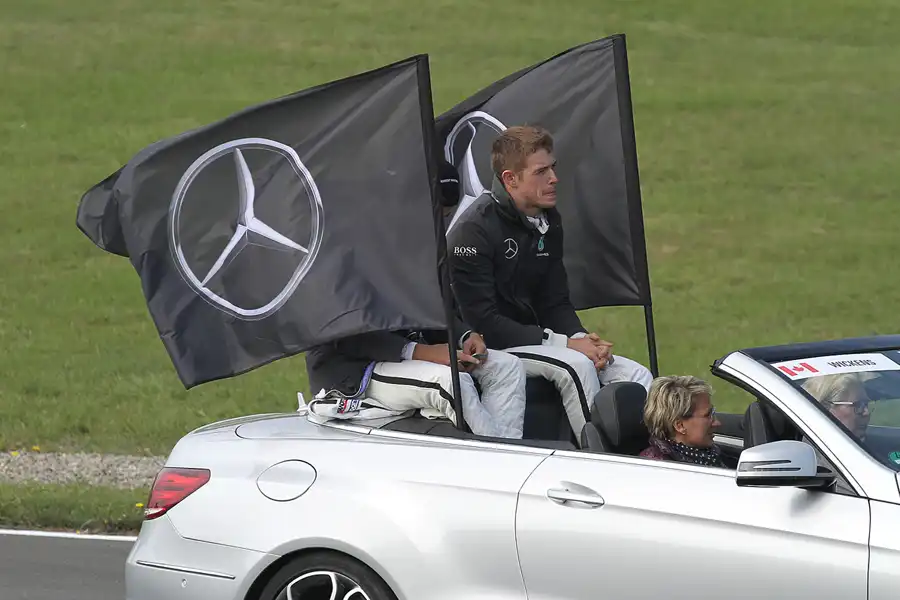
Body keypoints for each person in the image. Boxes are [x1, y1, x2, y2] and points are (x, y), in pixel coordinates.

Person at [445, 124, 653, 437]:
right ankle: (602, 461)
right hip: (495, 347)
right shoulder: (474, 231)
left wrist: (584, 339)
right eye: (541, 171)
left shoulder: (547, 220)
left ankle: (654, 456)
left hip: (537, 340)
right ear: (510, 179)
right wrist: (567, 344)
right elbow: (483, 322)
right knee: (576, 366)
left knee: (635, 373)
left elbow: (554, 301)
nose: (554, 178)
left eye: (552, 168)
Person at [303, 169, 527, 439]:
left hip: (408, 354)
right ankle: (500, 463)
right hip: (354, 369)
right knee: (450, 383)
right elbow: (345, 337)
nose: (441, 222)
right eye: (437, 214)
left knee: (508, 368)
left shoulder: (415, 246)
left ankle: (503, 457)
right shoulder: (338, 254)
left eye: (445, 215)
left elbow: (435, 309)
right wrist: (422, 352)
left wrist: (463, 335)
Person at [639, 375, 727, 467]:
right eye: (708, 415)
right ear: (680, 426)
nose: (717, 423)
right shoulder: (660, 468)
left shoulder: (706, 454)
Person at [801, 373, 872, 441]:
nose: (866, 412)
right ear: (825, 408)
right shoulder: (807, 451)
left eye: (866, 404)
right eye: (858, 405)